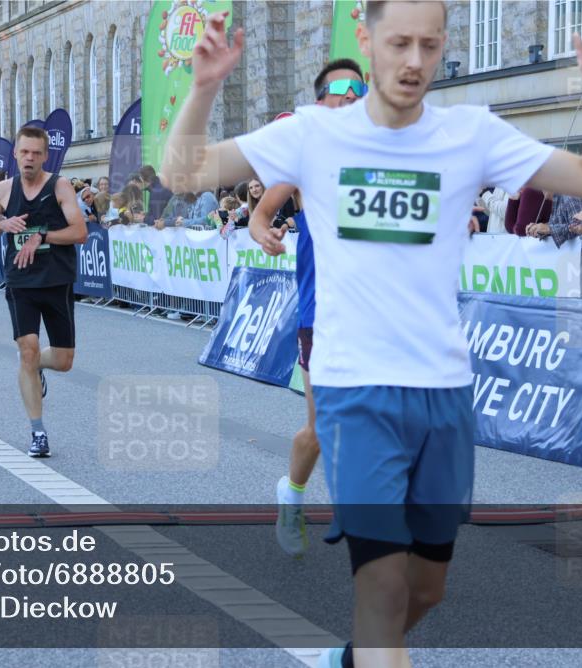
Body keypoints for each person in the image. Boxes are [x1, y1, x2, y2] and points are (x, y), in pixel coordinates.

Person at [160, 6, 582, 667]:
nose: (413, 60)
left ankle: (352, 658)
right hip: (356, 393)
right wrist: (202, 90)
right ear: (366, 39)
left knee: (425, 590)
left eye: (429, 45)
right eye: (399, 43)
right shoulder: (315, 134)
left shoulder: (470, 134)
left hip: (442, 398)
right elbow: (184, 173)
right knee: (380, 590)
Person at [248, 56, 366, 560]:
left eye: (359, 96)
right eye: (340, 98)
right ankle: (291, 495)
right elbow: (259, 215)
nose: (352, 105)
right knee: (321, 430)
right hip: (322, 314)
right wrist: (264, 234)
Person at [0, 126, 87, 458]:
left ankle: (37, 366)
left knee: (64, 361)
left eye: (36, 153)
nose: (29, 158)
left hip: (56, 281)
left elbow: (79, 231)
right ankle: (38, 432)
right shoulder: (4, 190)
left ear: (45, 156)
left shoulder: (59, 186)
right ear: (15, 154)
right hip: (20, 281)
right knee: (27, 350)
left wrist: (42, 236)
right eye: (24, 152)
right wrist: (0, 225)